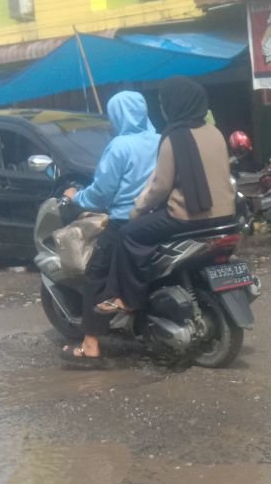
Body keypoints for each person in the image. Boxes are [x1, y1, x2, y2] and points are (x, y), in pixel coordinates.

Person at [95, 77, 235, 316]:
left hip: (188, 216)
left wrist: (136, 212)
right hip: (226, 216)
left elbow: (159, 187)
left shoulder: (174, 137)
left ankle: (128, 299)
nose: (162, 107)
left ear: (175, 103)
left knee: (128, 235)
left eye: (164, 101)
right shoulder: (215, 133)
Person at [61, 91, 158, 367]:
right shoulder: (160, 140)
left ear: (117, 115)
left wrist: (76, 198)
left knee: (95, 276)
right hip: (158, 220)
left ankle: (90, 345)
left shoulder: (119, 146)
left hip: (124, 221)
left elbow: (101, 193)